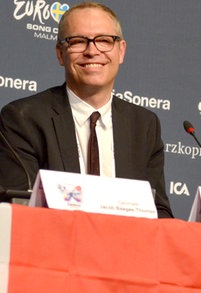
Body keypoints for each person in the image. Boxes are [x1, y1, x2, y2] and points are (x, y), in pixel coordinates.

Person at [0, 2, 173, 218]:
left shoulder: (144, 125)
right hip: (55, 246)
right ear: (60, 54)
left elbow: (159, 210)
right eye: (78, 41)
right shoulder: (24, 118)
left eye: (104, 40)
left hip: (125, 247)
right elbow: (18, 206)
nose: (92, 51)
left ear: (121, 51)